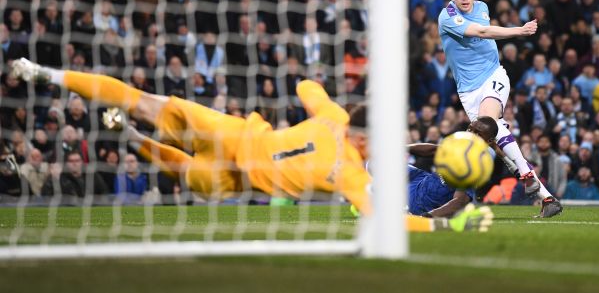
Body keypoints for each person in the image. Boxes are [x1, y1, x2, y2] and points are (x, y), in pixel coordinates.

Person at [12, 58, 492, 233]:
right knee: (175, 158)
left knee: (148, 115)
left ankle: (123, 130)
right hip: (235, 156)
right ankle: (63, 85)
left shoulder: (335, 120)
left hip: (234, 143)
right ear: (366, 139)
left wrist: (319, 94)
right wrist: (447, 230)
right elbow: (387, 223)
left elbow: (306, 83)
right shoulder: (351, 173)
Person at [437, 0, 562, 218]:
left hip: (493, 76)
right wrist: (520, 30)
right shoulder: (447, 16)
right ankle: (546, 198)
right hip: (468, 91)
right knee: (491, 138)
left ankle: (524, 176)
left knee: (489, 123)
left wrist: (518, 31)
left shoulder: (481, 7)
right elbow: (481, 32)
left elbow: (484, 32)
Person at [405, 117, 498, 217]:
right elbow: (433, 150)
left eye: (478, 133)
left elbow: (459, 202)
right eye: (470, 129)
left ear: (489, 141)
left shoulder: (475, 167)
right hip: (420, 181)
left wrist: (425, 217)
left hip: (421, 204)